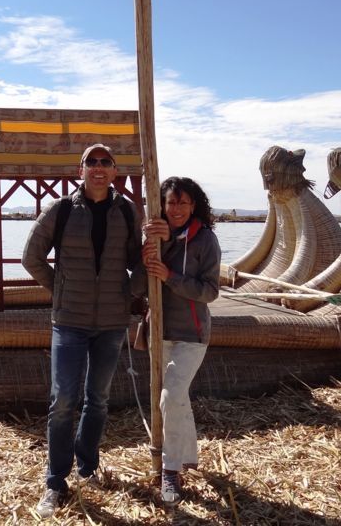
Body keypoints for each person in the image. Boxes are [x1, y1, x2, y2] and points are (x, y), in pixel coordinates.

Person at [22, 143, 142, 518]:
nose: (99, 167)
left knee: (98, 399)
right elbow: (31, 257)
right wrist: (60, 289)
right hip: (69, 321)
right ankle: (55, 481)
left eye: (106, 162)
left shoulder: (127, 211)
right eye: (92, 162)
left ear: (115, 172)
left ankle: (87, 466)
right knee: (62, 401)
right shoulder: (59, 210)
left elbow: (141, 262)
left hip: (112, 323)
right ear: (81, 170)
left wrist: (129, 292)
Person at [136, 176, 221, 505]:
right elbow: (139, 282)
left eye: (183, 203)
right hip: (159, 330)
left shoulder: (206, 240)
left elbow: (210, 292)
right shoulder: (154, 236)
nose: (177, 209)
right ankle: (189, 456)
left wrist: (170, 277)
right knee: (176, 396)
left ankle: (170, 471)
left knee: (170, 396)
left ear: (193, 205)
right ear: (162, 204)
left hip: (192, 334)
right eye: (171, 202)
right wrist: (147, 253)